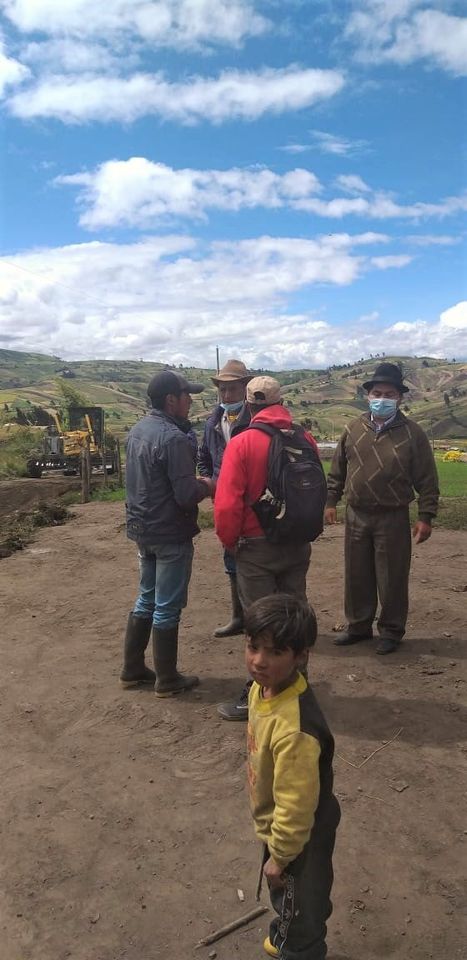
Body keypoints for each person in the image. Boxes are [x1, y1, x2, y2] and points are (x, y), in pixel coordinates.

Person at [214, 376, 318, 720]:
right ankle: (299, 687)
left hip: (255, 545)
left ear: (249, 405)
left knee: (261, 622)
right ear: (281, 403)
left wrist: (230, 541)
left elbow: (227, 504)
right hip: (297, 543)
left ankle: (261, 694)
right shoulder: (304, 438)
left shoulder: (242, 442)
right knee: (294, 614)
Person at [245, 593, 340, 960]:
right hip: (283, 825)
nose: (259, 660)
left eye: (275, 652)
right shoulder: (262, 688)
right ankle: (289, 934)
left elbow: (296, 806)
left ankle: (300, 948)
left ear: (301, 656)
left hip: (301, 834)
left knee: (298, 898)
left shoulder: (295, 732)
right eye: (253, 646)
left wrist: (281, 855)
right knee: (291, 895)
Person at [325, 362, 439, 655]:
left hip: (392, 515)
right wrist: (331, 501)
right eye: (377, 393)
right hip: (356, 513)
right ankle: (358, 626)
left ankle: (391, 630)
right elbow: (338, 469)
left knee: (392, 577)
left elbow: (427, 479)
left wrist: (426, 516)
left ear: (399, 398)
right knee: (356, 574)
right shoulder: (353, 428)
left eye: (389, 395)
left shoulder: (413, 434)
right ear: (368, 395)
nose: (382, 399)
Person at [120, 371, 214, 695]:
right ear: (171, 400)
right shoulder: (173, 438)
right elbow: (185, 495)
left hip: (142, 529)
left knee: (146, 597)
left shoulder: (138, 430)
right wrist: (207, 485)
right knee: (167, 605)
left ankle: (132, 668)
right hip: (169, 531)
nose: (190, 402)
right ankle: (167, 678)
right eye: (187, 396)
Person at [198, 359, 252, 637]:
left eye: (233, 389)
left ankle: (262, 619)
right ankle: (238, 617)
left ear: (245, 388)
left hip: (253, 500)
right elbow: (204, 457)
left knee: (259, 557)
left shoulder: (255, 419)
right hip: (225, 500)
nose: (227, 395)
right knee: (230, 553)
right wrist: (212, 484)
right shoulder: (213, 422)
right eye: (223, 390)